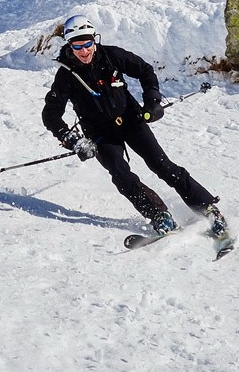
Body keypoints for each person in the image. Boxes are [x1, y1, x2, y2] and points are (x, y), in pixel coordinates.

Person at [42, 14, 229, 240]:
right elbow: (51, 115)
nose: (84, 51)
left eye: (87, 43)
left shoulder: (111, 56)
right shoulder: (65, 75)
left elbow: (145, 71)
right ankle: (159, 215)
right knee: (121, 174)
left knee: (162, 165)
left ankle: (208, 209)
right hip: (100, 134)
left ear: (94, 39)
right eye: (77, 45)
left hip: (130, 120)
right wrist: (74, 141)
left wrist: (152, 100)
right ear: (70, 46)